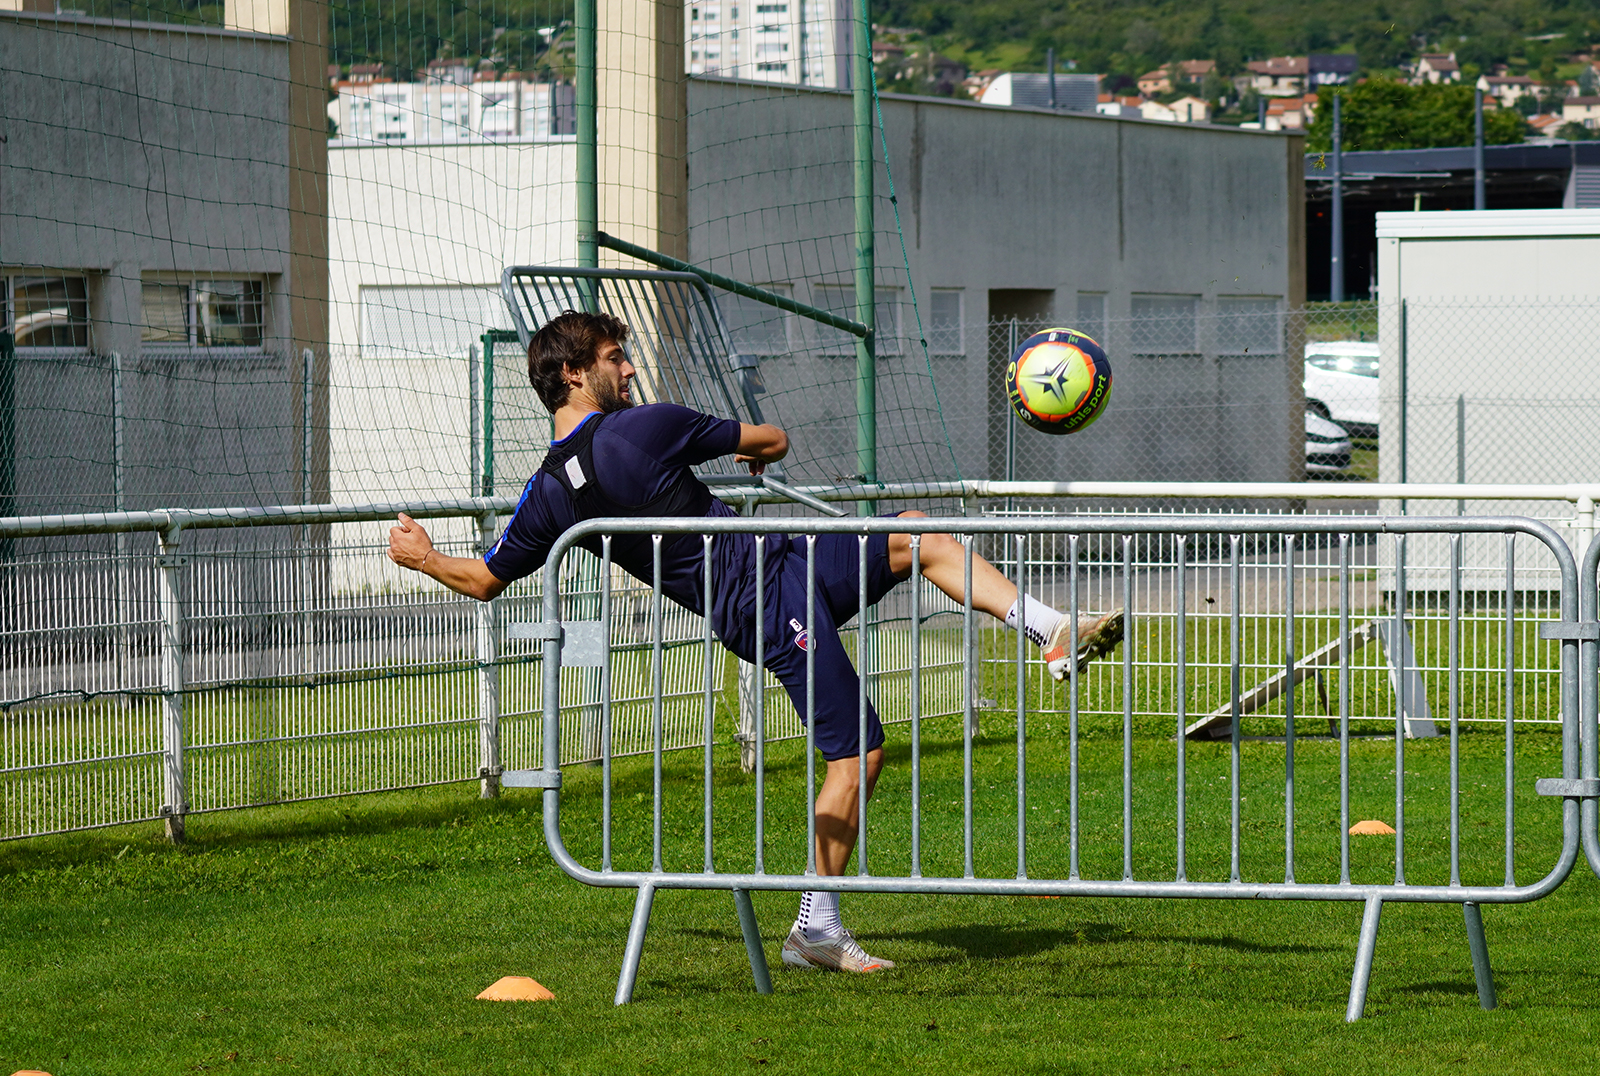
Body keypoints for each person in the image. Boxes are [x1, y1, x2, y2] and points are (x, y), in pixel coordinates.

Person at [388, 310, 1124, 974]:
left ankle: (1048, 628)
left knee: (917, 533)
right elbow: (771, 438)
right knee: (858, 753)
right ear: (576, 374)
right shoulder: (644, 425)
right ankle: (816, 928)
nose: (631, 369)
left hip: (785, 561)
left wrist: (423, 557)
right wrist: (755, 454)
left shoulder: (546, 490)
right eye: (617, 357)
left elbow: (485, 579)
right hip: (764, 601)